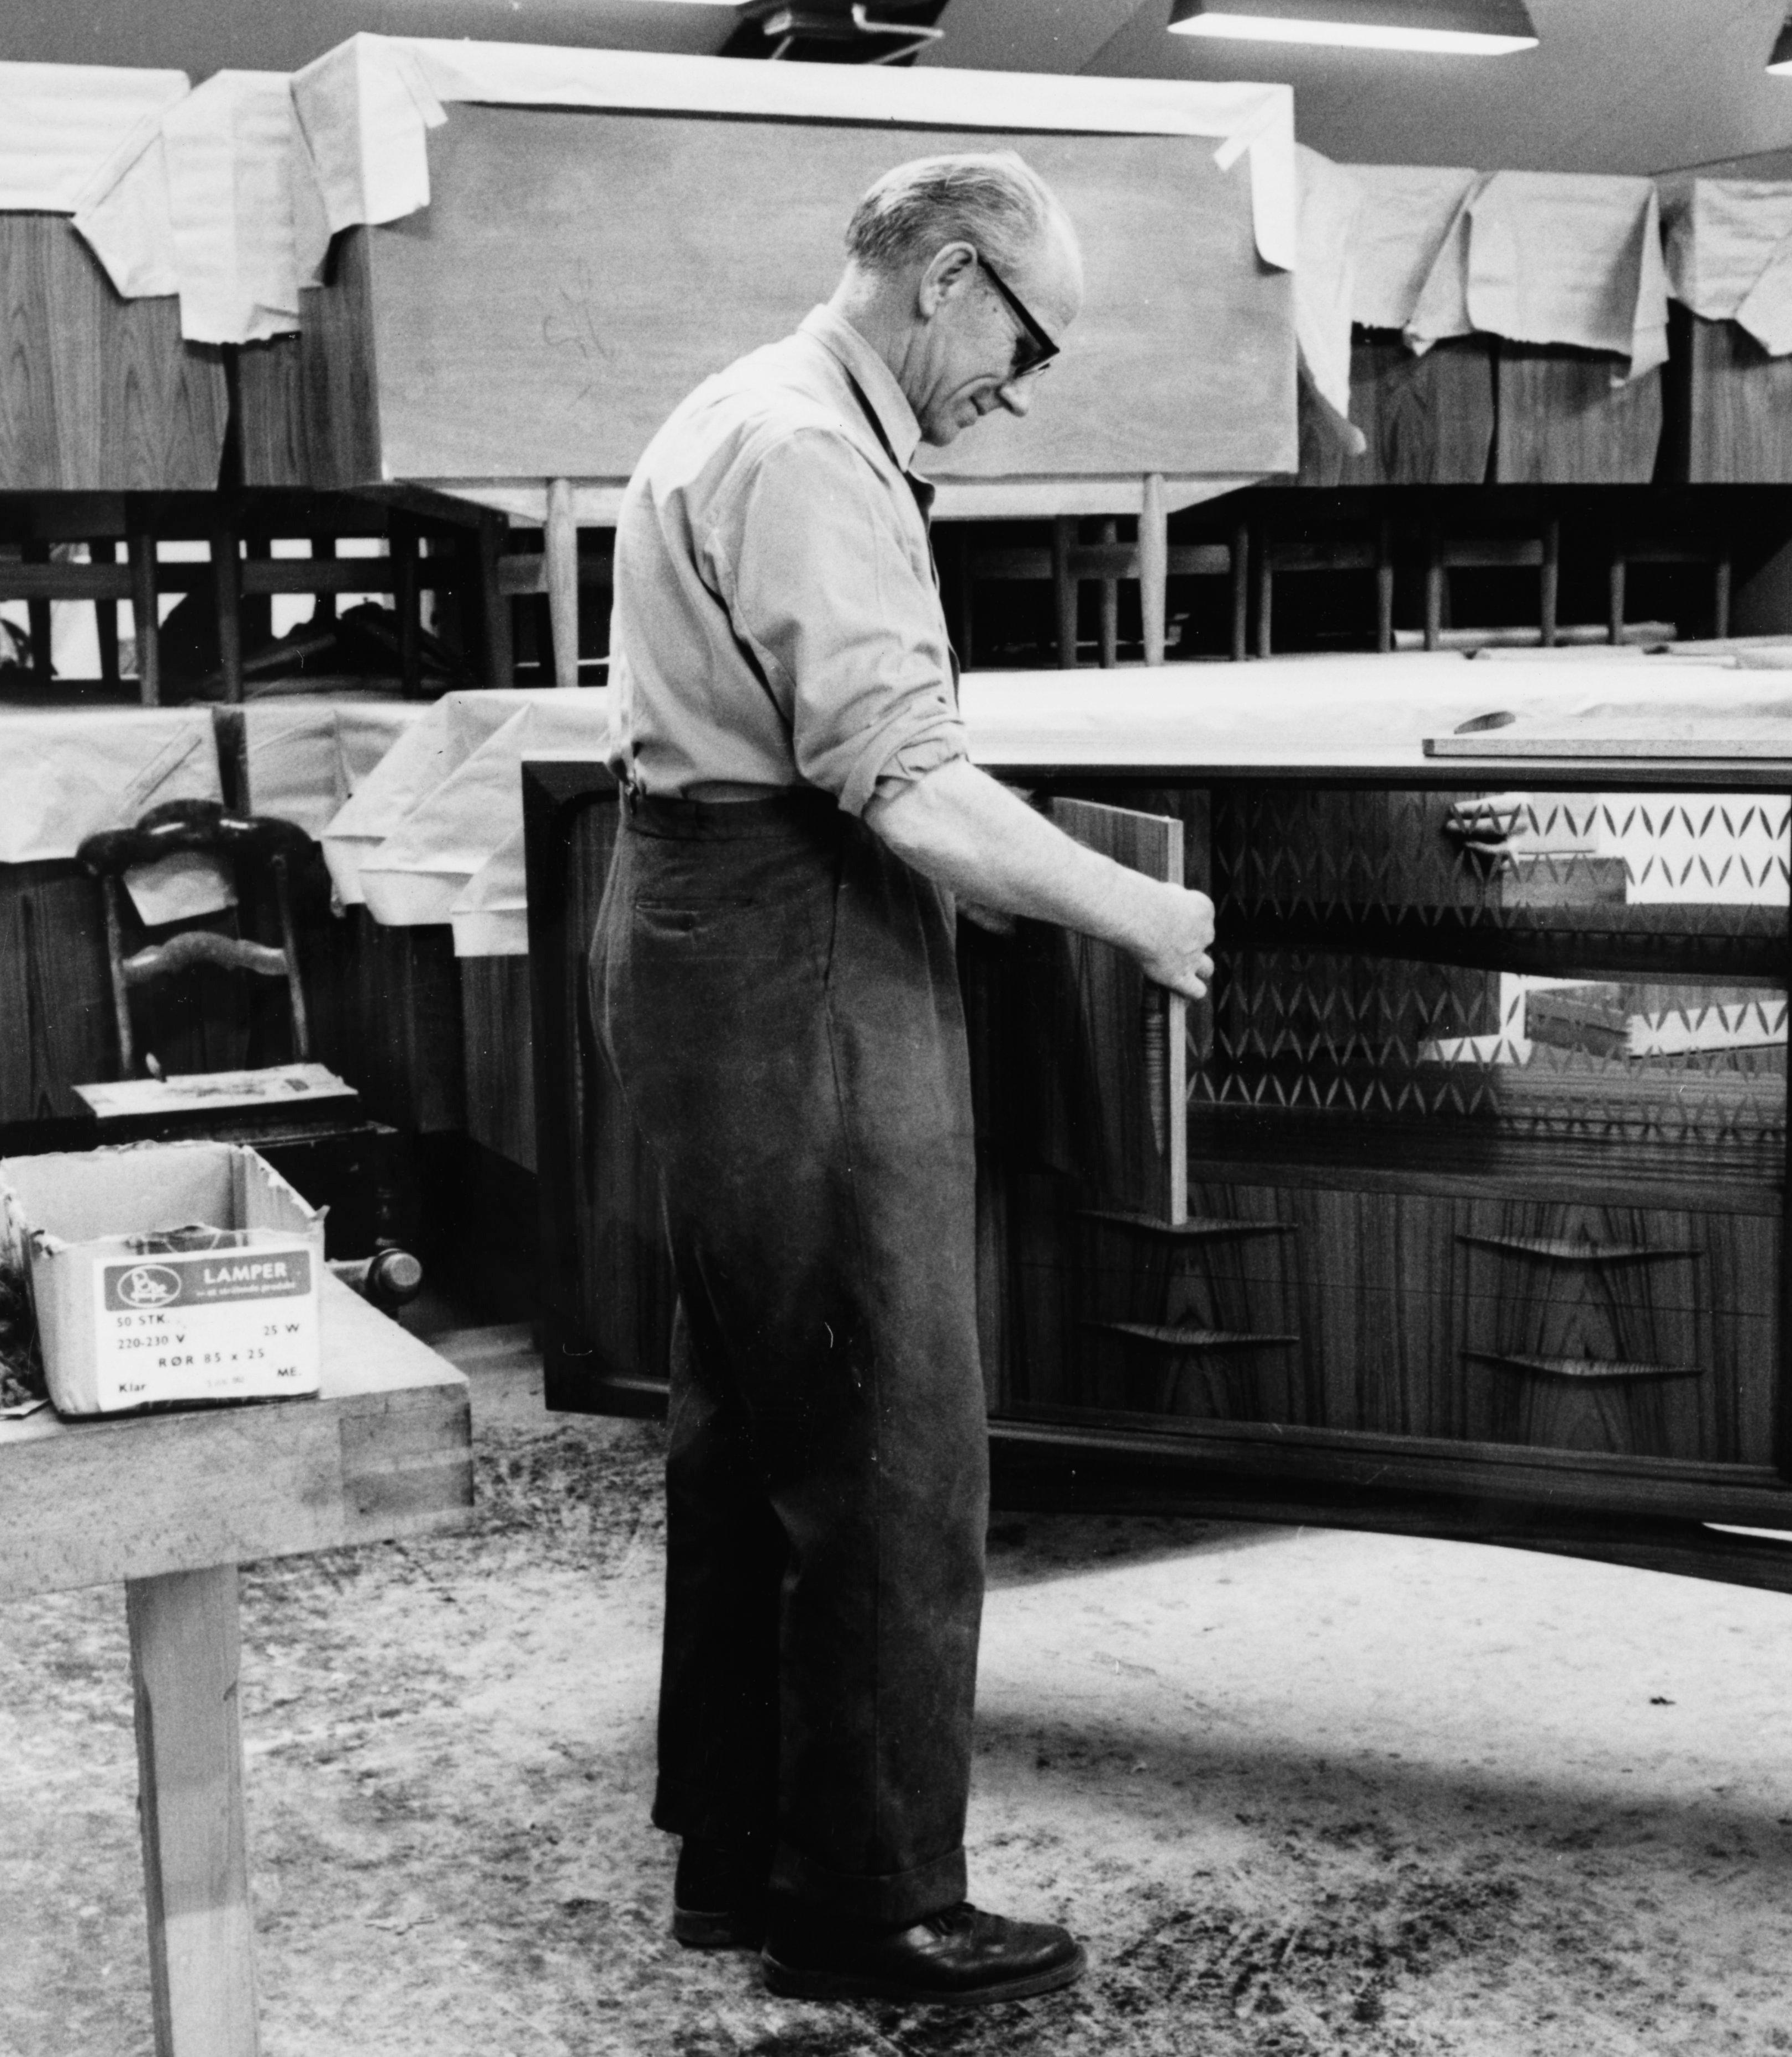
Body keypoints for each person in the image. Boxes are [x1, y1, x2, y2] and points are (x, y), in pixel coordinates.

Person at [589, 153, 1214, 2008]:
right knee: (888, 1436)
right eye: (1026, 344)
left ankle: (744, 1855)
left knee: (759, 1417)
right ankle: (867, 1905)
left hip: (720, 922)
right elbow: (908, 784)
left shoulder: (754, 407)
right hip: (792, 944)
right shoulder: (805, 450)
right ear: (949, 279)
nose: (1018, 391)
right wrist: (1136, 911)